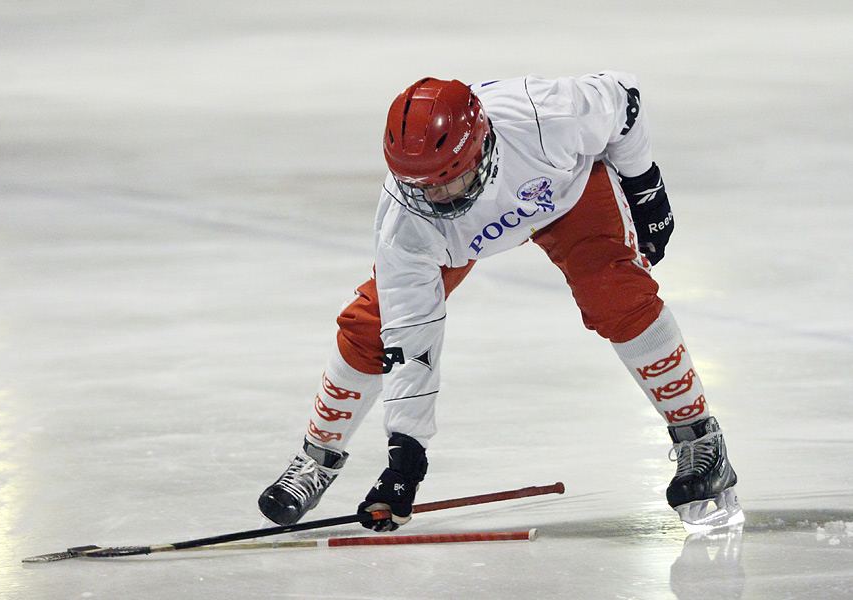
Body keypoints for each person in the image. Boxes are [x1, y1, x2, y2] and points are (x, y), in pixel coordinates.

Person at [258, 71, 744, 533]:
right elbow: (410, 339)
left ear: (484, 144)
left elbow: (624, 99)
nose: (438, 198)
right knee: (371, 323)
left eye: (449, 181)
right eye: (420, 186)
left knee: (617, 296)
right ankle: (317, 458)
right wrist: (406, 457)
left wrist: (645, 186)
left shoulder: (547, 118)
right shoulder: (409, 219)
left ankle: (700, 439)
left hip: (566, 196)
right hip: (458, 241)